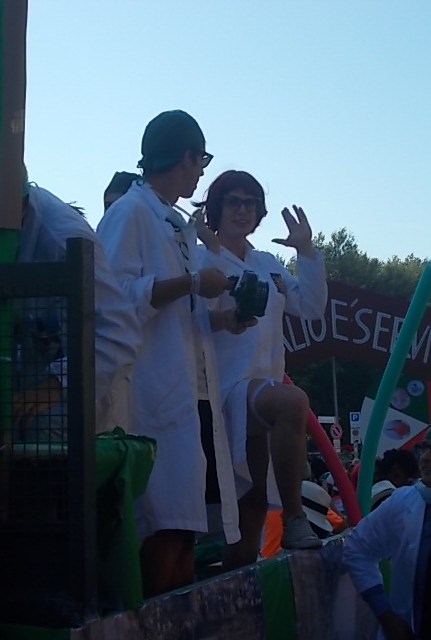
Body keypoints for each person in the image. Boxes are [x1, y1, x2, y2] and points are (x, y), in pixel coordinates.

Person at [96, 110, 252, 597]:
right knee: (163, 529)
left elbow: (176, 314)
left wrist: (223, 318)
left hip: (189, 396)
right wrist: (192, 282)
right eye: (201, 161)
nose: (201, 172)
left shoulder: (172, 221)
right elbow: (113, 298)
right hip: (149, 397)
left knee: (186, 531)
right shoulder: (130, 213)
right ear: (186, 156)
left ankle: (175, 623)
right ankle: (148, 624)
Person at [198, 170, 328, 568]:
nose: (242, 210)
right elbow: (190, 318)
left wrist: (306, 251)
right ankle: (294, 517)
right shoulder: (200, 257)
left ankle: (240, 582)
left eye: (251, 203)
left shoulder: (267, 263)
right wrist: (226, 315)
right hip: (221, 389)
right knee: (293, 402)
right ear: (216, 207)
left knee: (253, 505)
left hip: (260, 390)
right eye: (233, 202)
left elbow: (311, 307)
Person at [12, 168, 141, 439]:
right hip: (25, 408)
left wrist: (57, 383)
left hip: (84, 418)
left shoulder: (63, 237)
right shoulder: (2, 228)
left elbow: (120, 333)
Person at [344, 414, 431, 640]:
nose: (425, 458)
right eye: (423, 448)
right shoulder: (401, 502)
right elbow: (356, 547)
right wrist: (385, 615)